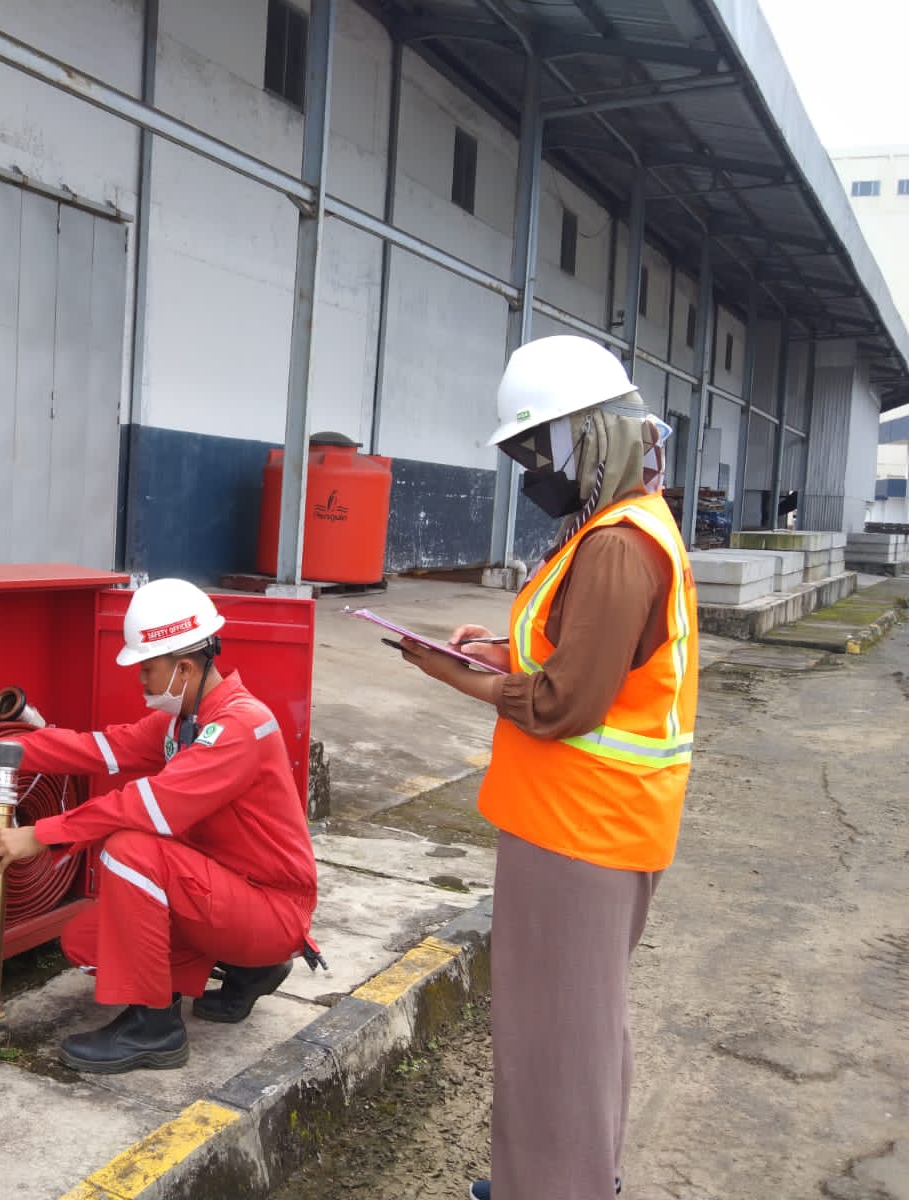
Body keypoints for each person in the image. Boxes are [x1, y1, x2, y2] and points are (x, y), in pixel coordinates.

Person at [395, 336, 699, 1200]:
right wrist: (496, 648)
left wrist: (459, 674)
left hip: (580, 832)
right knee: (574, 1027)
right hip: (589, 828)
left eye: (539, 449)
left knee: (558, 1034)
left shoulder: (615, 546)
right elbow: (583, 658)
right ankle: (565, 1179)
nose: (532, 470)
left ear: (592, 437)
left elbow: (568, 703)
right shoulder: (619, 531)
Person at [0, 577, 319, 1074]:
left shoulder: (235, 728)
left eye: (148, 669)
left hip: (270, 908)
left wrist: (40, 835)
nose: (142, 682)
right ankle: (249, 969)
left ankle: (155, 1028)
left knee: (130, 850)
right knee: (86, 941)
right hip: (228, 894)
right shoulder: (187, 720)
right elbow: (102, 750)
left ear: (185, 668)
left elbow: (146, 805)